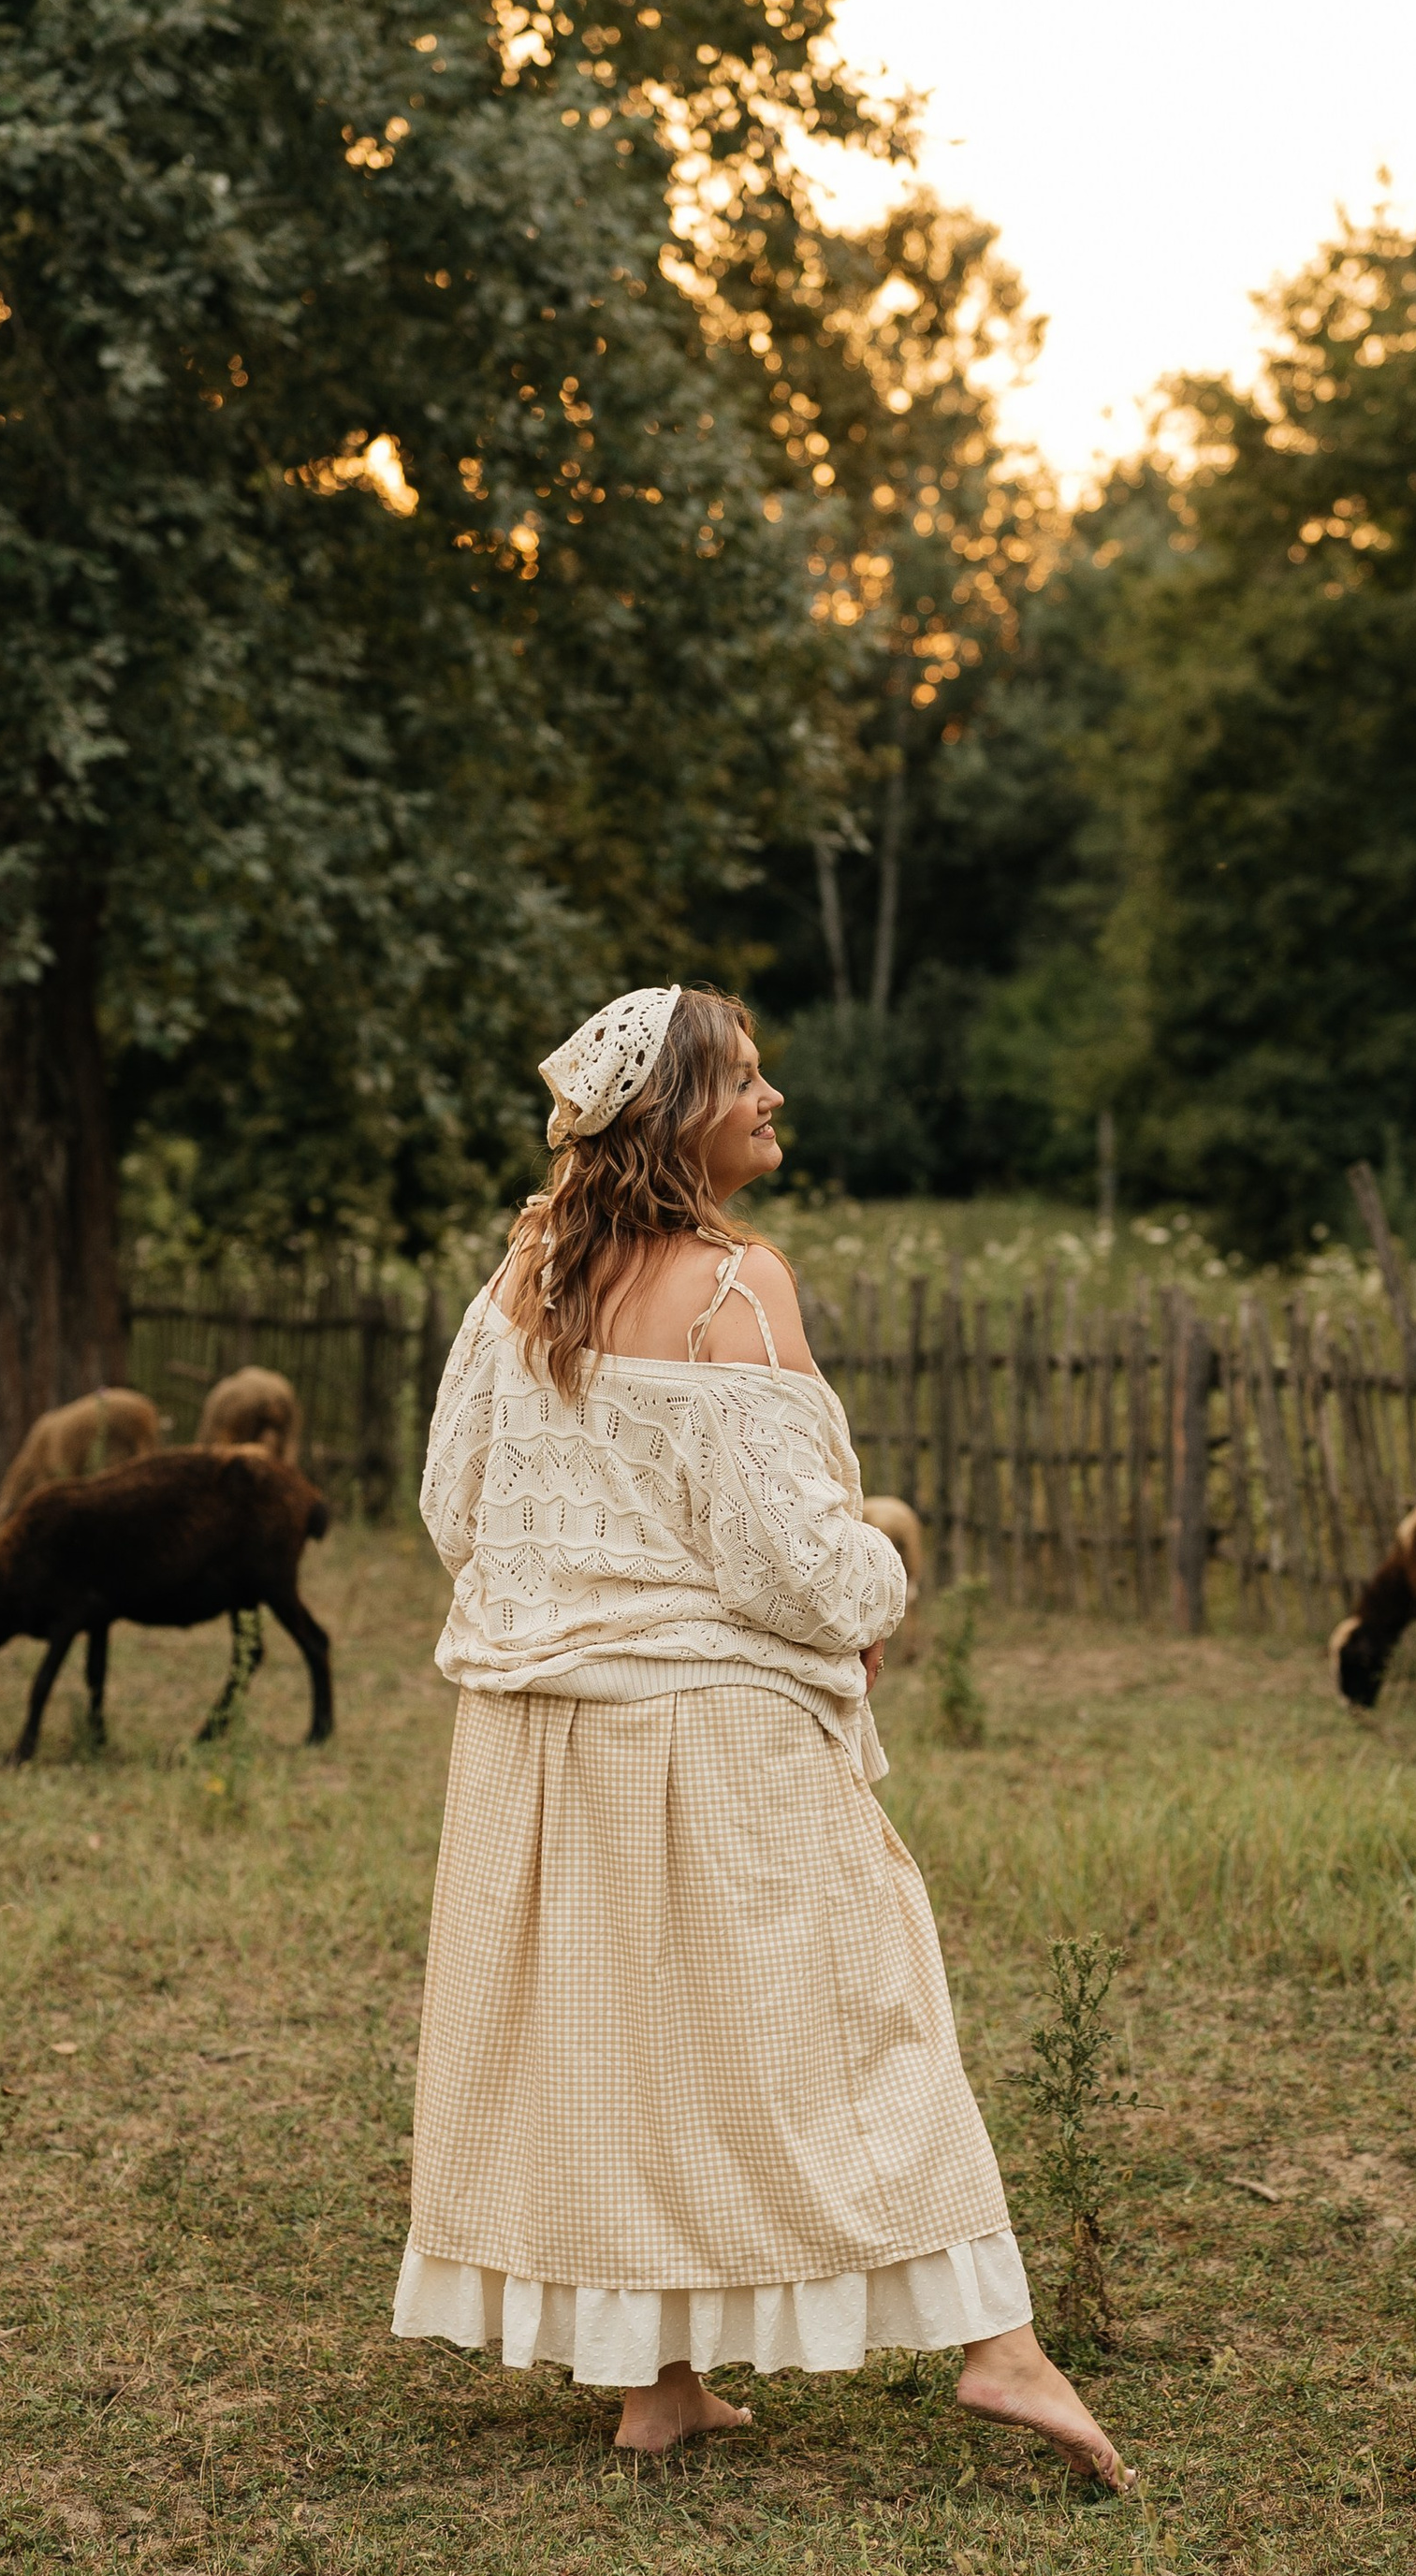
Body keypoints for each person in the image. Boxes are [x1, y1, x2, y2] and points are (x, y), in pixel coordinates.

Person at [394, 983, 1123, 2483]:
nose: (774, 1097)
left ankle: (660, 2388)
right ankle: (1000, 2348)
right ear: (679, 1116)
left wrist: (578, 1581)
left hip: (541, 1736)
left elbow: (451, 1504)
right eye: (745, 1080)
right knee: (868, 2012)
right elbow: (793, 1562)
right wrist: (880, 1588)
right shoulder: (739, 1289)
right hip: (711, 1730)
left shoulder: (523, 1275)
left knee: (621, 2038)